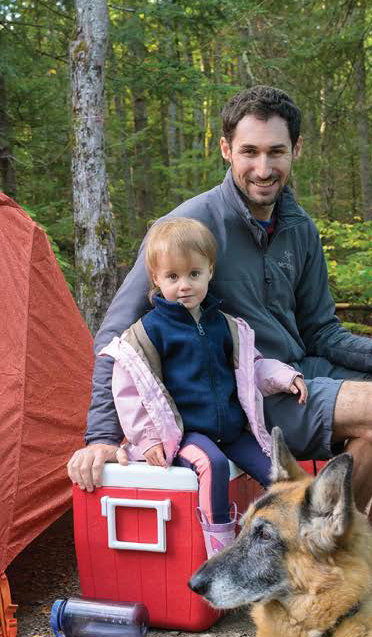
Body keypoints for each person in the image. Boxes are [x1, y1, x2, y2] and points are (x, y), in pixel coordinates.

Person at [68, 84, 372, 581]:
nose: (263, 167)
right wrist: (102, 435)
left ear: (295, 149)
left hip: (297, 372)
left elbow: (321, 330)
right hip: (243, 392)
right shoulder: (187, 226)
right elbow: (117, 333)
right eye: (250, 151)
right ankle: (322, 554)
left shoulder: (299, 226)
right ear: (226, 148)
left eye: (276, 151)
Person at [101, 216, 306, 557]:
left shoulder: (224, 325)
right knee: (213, 464)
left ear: (210, 271)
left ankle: (295, 540)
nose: (184, 286)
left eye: (194, 274)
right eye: (172, 277)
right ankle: (222, 551)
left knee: (276, 469)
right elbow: (130, 391)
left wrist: (286, 377)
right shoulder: (148, 333)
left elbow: (251, 366)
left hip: (230, 428)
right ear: (156, 279)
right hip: (185, 435)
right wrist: (148, 438)